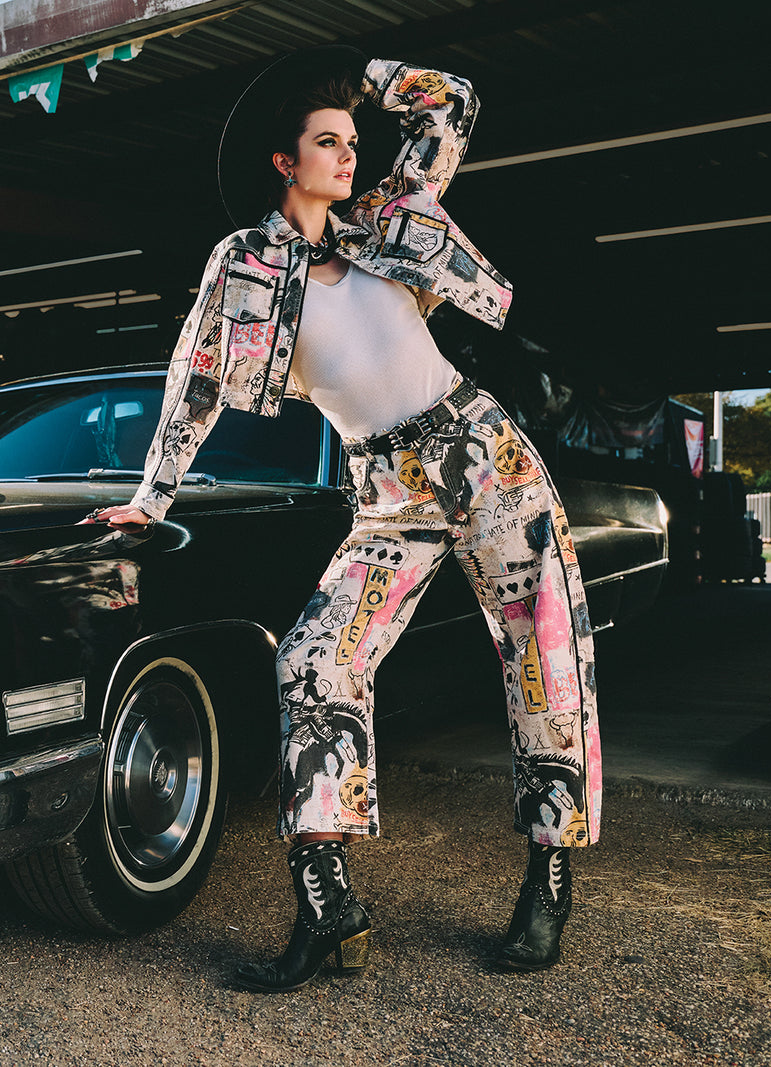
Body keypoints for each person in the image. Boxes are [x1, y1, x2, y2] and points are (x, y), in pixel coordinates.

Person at [86, 46, 600, 991]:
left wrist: (364, 76)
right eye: (327, 141)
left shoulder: (388, 220)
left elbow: (453, 103)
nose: (349, 155)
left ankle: (548, 876)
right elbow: (193, 384)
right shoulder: (241, 268)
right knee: (314, 659)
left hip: (485, 454)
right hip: (388, 489)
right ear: (284, 162)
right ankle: (329, 904)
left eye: (354, 141)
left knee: (545, 653)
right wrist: (151, 497)